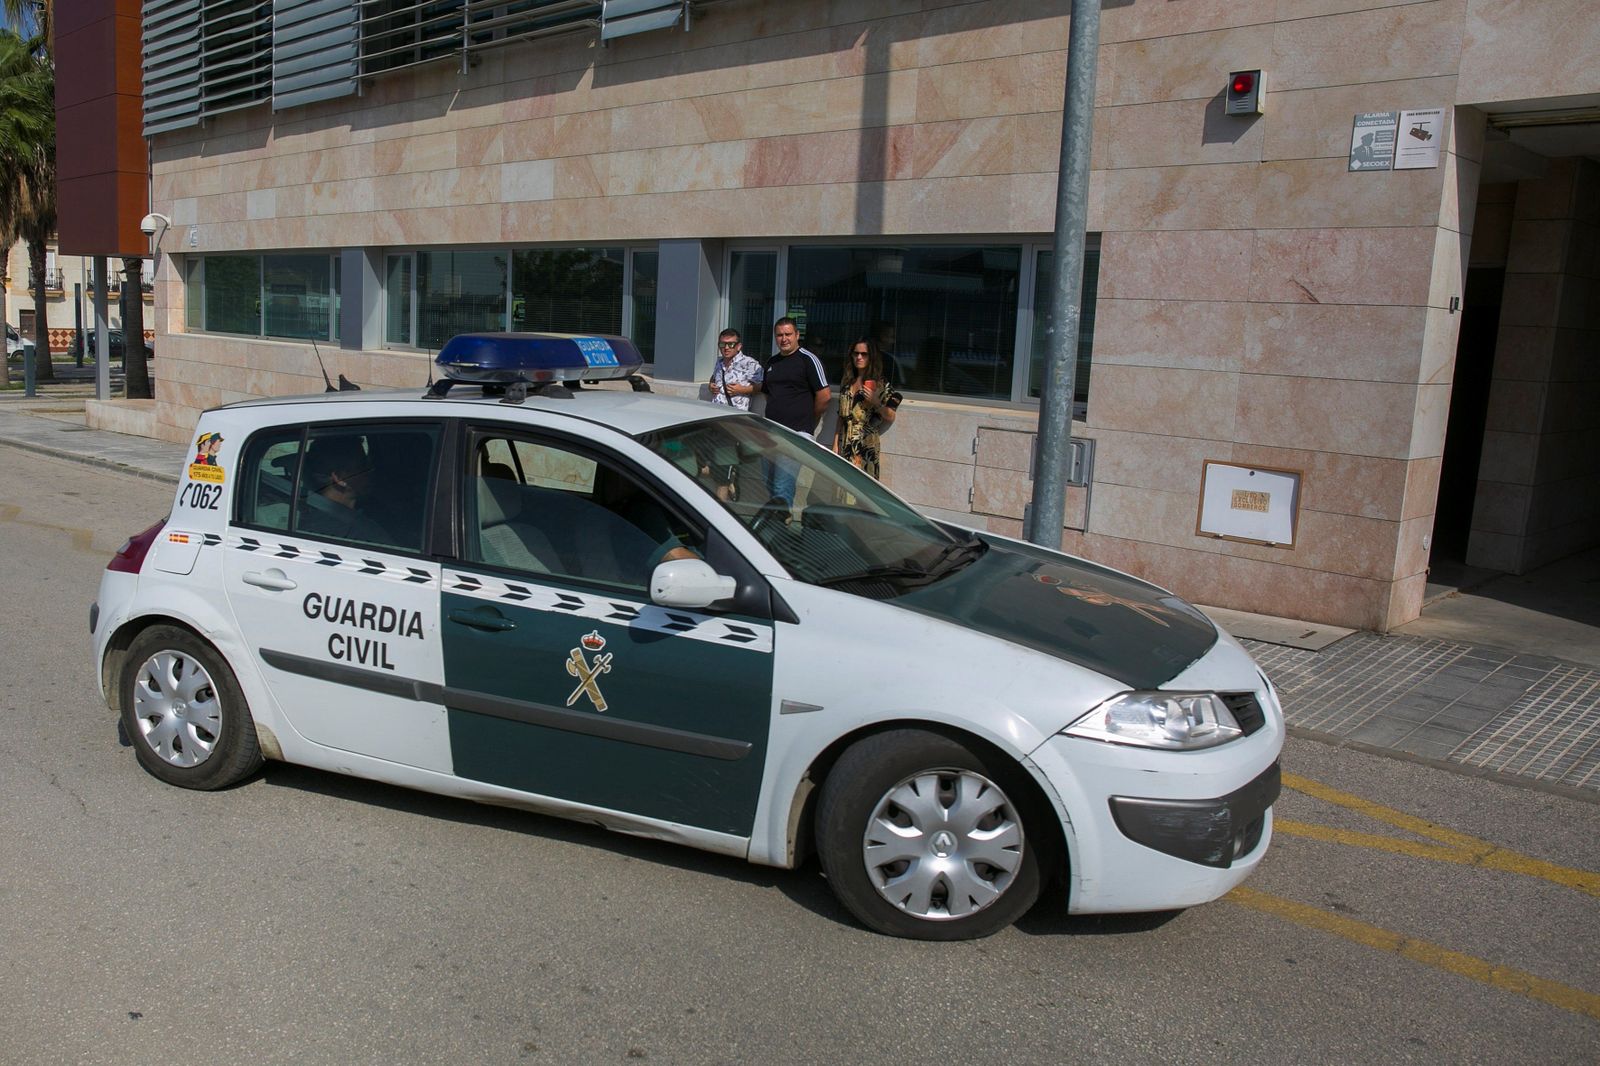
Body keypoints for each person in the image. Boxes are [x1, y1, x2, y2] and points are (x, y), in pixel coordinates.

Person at [760, 317, 830, 503]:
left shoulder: (808, 360)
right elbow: (768, 394)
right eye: (779, 335)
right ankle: (780, 518)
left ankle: (782, 520)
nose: (784, 339)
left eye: (788, 334)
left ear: (797, 335)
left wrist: (809, 421)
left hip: (795, 435)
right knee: (768, 483)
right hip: (771, 434)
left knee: (781, 489)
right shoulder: (772, 362)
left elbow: (824, 397)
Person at [298, 435, 391, 544]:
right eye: (363, 466)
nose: (371, 471)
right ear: (339, 478)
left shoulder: (312, 516)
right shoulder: (349, 532)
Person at [832, 337, 901, 479]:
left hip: (866, 444)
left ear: (871, 357)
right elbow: (841, 416)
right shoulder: (847, 381)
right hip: (845, 442)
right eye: (856, 353)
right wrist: (835, 444)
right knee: (843, 485)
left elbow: (890, 416)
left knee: (862, 485)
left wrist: (876, 402)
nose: (859, 357)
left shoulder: (880, 383)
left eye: (864, 354)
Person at [706, 328, 763, 411]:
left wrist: (742, 390)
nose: (726, 348)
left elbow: (761, 386)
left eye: (731, 344)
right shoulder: (719, 362)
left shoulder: (749, 363)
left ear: (739, 346)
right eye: (722, 344)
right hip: (716, 411)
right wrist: (710, 385)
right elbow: (714, 376)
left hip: (735, 414)